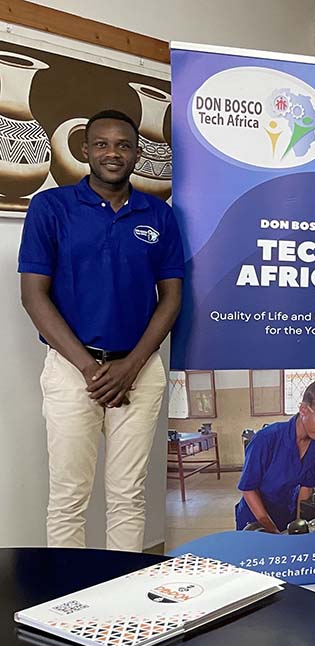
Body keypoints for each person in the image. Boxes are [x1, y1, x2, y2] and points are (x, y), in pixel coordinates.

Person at [18, 109, 183, 552]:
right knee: (69, 497)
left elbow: (171, 297)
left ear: (136, 154)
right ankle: (66, 590)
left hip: (139, 370)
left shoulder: (158, 214)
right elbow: (34, 296)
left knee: (128, 496)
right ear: (86, 150)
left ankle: (121, 587)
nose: (113, 153)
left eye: (123, 145)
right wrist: (91, 369)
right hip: (73, 370)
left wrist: (130, 367)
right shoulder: (51, 208)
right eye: (102, 144)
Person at [235, 378, 315, 533]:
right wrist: (270, 529)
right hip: (255, 517)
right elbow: (248, 488)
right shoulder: (266, 439)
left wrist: (299, 527)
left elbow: (307, 488)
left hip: (286, 513)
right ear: (303, 409)